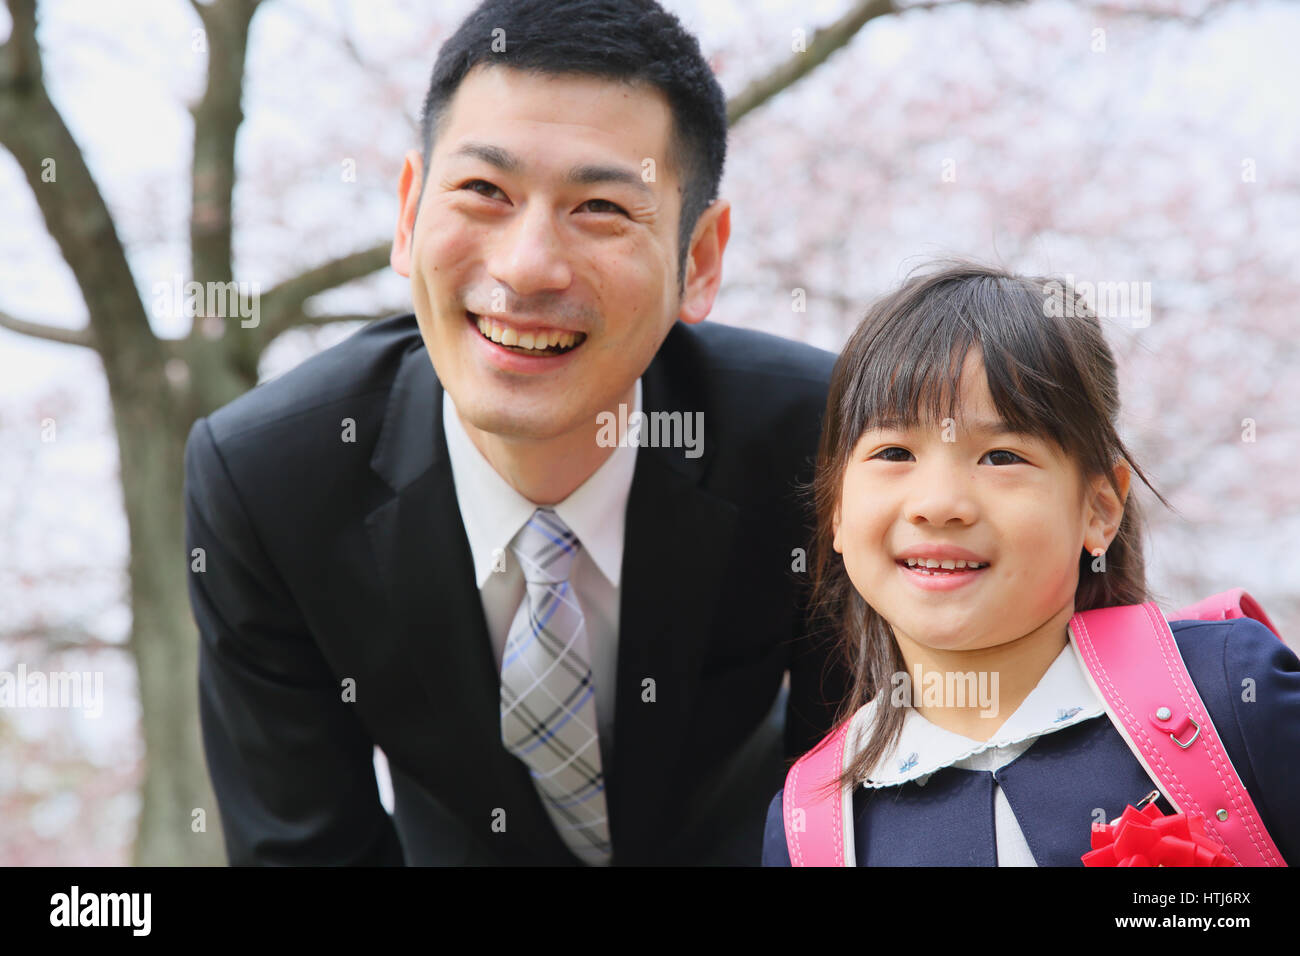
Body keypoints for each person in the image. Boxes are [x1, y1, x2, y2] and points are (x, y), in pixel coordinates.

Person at [185, 0, 849, 866]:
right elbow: (304, 847)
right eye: (484, 191)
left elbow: (855, 813)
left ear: (700, 260)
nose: (527, 266)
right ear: (408, 212)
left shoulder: (827, 443)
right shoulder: (270, 480)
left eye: (603, 207)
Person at [762, 260, 1300, 866]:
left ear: (1100, 507)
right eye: (893, 451)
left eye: (1000, 456)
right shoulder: (813, 824)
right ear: (835, 508)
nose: (939, 505)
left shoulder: (1230, 695)